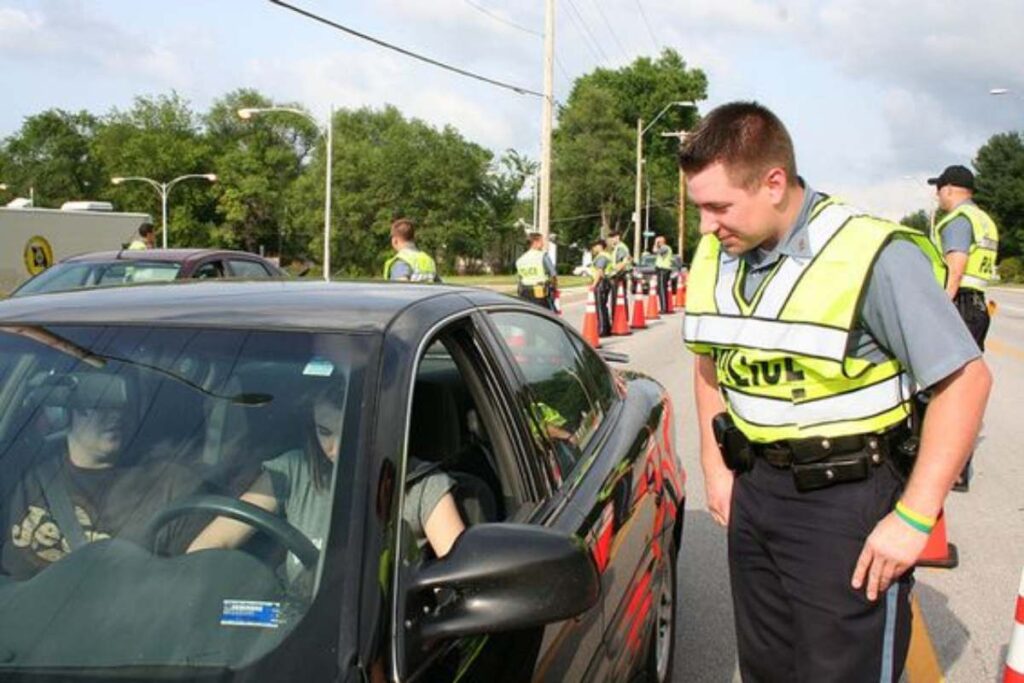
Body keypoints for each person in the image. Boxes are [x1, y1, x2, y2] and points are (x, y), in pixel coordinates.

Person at [680, 102, 991, 682]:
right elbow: (709, 361)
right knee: (768, 668)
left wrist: (916, 517)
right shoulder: (717, 252)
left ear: (774, 183)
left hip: (846, 500)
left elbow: (965, 381)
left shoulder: (872, 254)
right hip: (755, 488)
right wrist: (714, 466)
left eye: (718, 206)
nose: (705, 226)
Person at [188, 383, 465, 581]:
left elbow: (460, 583)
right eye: (324, 431)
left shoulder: (422, 486)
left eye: (351, 433)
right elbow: (209, 547)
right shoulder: (293, 472)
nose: (335, 448)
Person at [1, 372, 206, 580]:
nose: (116, 415)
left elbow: (194, 573)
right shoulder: (23, 475)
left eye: (123, 404)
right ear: (64, 410)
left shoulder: (171, 485)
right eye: (101, 402)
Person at [927, 165, 999, 350]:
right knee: (966, 371)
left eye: (939, 190)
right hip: (977, 306)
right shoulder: (983, 219)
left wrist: (940, 308)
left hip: (960, 305)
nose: (937, 195)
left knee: (947, 372)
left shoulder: (958, 220)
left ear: (949, 189)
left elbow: (955, 271)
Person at [383, 218, 440, 283]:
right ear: (413, 238)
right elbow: (439, 287)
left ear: (395, 240)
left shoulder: (401, 261)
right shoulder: (428, 260)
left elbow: (401, 290)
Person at [515, 231, 558, 311]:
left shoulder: (520, 260)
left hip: (525, 293)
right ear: (535, 242)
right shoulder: (542, 256)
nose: (543, 244)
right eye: (541, 241)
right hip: (540, 293)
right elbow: (553, 275)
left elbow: (520, 278)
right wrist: (554, 289)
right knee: (546, 315)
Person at [589, 239, 612, 337]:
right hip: (606, 282)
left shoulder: (601, 257)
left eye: (594, 246)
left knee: (600, 307)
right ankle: (606, 328)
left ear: (599, 246)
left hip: (601, 283)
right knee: (603, 306)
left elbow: (599, 271)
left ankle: (602, 329)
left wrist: (594, 284)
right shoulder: (607, 255)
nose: (593, 249)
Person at [606, 230, 633, 312]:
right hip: (619, 274)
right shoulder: (617, 247)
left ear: (617, 237)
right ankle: (620, 316)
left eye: (612, 238)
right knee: (619, 296)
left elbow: (623, 262)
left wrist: (614, 272)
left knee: (618, 297)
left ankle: (619, 316)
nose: (611, 241)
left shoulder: (621, 247)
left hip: (619, 275)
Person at [653, 235, 674, 313]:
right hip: (662, 270)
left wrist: (655, 243)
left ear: (662, 242)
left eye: (659, 242)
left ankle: (664, 308)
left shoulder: (665, 248)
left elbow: (655, 251)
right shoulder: (665, 248)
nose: (658, 243)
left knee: (662, 289)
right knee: (661, 289)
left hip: (663, 270)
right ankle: (664, 307)